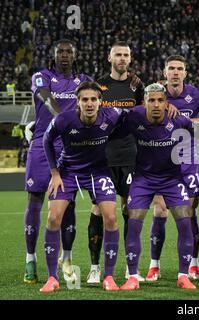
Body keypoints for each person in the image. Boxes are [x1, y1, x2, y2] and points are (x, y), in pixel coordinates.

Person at [40, 82, 123, 292]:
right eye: (84, 99)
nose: (89, 103)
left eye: (93, 99)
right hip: (68, 171)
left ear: (100, 102)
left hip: (98, 171)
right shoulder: (64, 119)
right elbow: (47, 140)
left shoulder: (112, 115)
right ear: (78, 102)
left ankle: (109, 277)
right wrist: (55, 173)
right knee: (52, 217)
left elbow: (135, 114)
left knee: (111, 217)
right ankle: (52, 278)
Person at [146, 55, 199, 282]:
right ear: (165, 72)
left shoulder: (196, 95)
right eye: (172, 68)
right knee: (160, 211)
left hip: (188, 164)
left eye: (180, 68)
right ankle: (154, 265)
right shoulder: (156, 95)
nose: (176, 72)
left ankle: (193, 264)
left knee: (189, 213)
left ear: (185, 73)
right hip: (161, 163)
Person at [24, 39, 91, 285]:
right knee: (35, 198)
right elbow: (44, 96)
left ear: (75, 55)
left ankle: (67, 257)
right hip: (44, 142)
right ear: (54, 55)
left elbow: (93, 103)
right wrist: (65, 117)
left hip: (70, 146)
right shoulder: (42, 76)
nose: (64, 55)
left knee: (68, 202)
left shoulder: (82, 81)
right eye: (60, 51)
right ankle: (30, 259)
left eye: (68, 52)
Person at [119, 83, 197, 291]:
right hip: (142, 178)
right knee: (134, 223)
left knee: (184, 221)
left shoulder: (180, 121)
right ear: (144, 103)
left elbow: (190, 145)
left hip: (172, 178)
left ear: (166, 103)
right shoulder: (133, 116)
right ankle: (133, 276)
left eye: (160, 100)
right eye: (151, 100)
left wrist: (191, 175)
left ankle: (183, 275)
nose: (155, 104)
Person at [86, 41, 146, 284]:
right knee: (99, 209)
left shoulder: (137, 85)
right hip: (103, 157)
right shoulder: (99, 85)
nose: (122, 58)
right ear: (109, 58)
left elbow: (144, 115)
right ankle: (94, 267)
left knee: (130, 209)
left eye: (126, 55)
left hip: (130, 156)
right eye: (118, 55)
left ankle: (131, 268)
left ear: (130, 59)